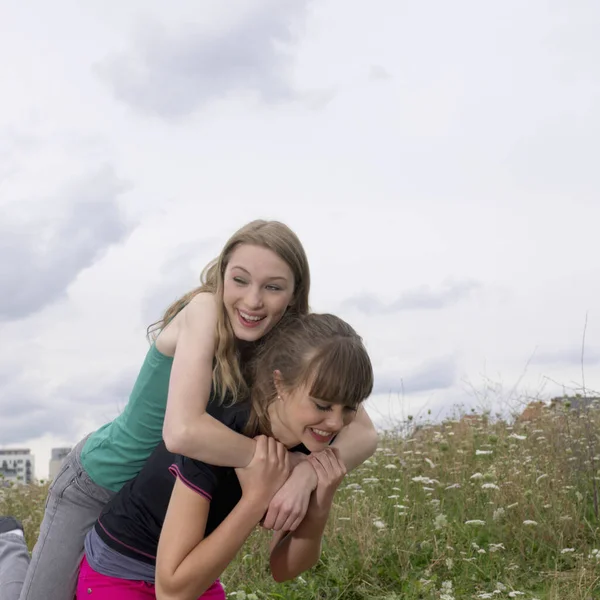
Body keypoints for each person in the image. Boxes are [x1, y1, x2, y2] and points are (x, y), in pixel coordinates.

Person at [0, 220, 378, 600]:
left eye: (273, 287)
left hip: (158, 495)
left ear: (294, 296)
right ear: (222, 274)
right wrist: (278, 464)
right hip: (99, 481)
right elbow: (182, 432)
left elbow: (363, 433)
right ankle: (8, 546)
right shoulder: (204, 311)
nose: (252, 300)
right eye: (240, 280)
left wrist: (308, 475)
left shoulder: (290, 352)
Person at [76, 313, 374, 599]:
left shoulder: (310, 437)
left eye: (349, 408)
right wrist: (257, 498)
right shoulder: (219, 427)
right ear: (281, 384)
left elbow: (283, 569)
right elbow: (172, 593)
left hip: (197, 573)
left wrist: (318, 495)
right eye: (322, 406)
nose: (336, 423)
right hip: (123, 569)